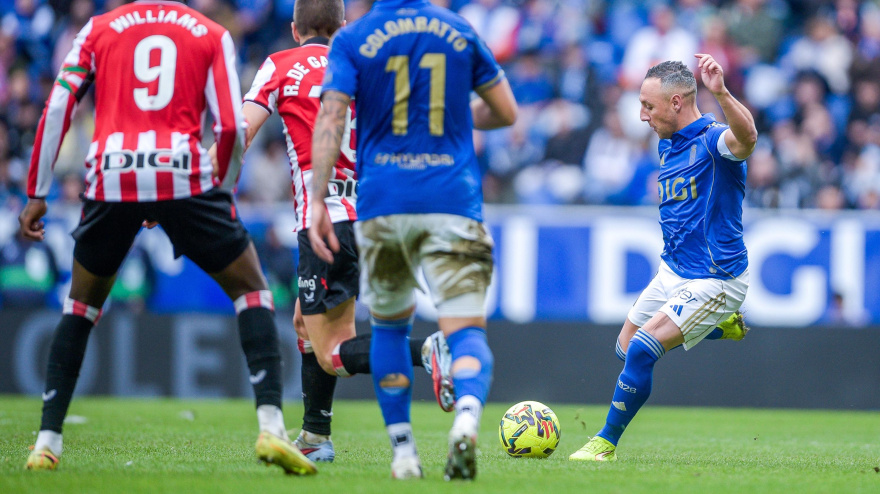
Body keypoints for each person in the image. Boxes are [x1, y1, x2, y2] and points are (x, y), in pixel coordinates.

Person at [20, 0, 315, 475]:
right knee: (252, 290)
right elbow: (229, 125)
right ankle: (271, 427)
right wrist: (221, 192)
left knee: (81, 306)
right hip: (181, 174)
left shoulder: (98, 28)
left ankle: (47, 442)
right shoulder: (209, 32)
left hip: (112, 174)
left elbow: (58, 106)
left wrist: (37, 192)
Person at [228, 0, 455, 463]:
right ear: (343, 26)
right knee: (304, 324)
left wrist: (209, 186)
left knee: (331, 351)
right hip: (378, 214)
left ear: (295, 29)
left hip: (326, 220)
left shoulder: (279, 65)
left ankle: (426, 351)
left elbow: (239, 132)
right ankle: (316, 436)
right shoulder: (367, 63)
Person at [308, 0, 518, 480]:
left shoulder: (352, 38)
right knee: (465, 329)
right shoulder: (459, 30)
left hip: (384, 204)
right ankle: (466, 419)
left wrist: (318, 198)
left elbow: (331, 118)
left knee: (388, 330)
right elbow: (506, 112)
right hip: (452, 201)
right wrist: (459, 117)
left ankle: (404, 452)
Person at [569, 55, 756, 462]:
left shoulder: (713, 141)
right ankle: (719, 327)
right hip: (672, 269)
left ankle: (604, 443)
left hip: (715, 277)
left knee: (642, 349)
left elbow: (748, 139)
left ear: (676, 102)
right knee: (624, 348)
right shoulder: (667, 143)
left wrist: (722, 93)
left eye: (648, 106)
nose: (642, 116)